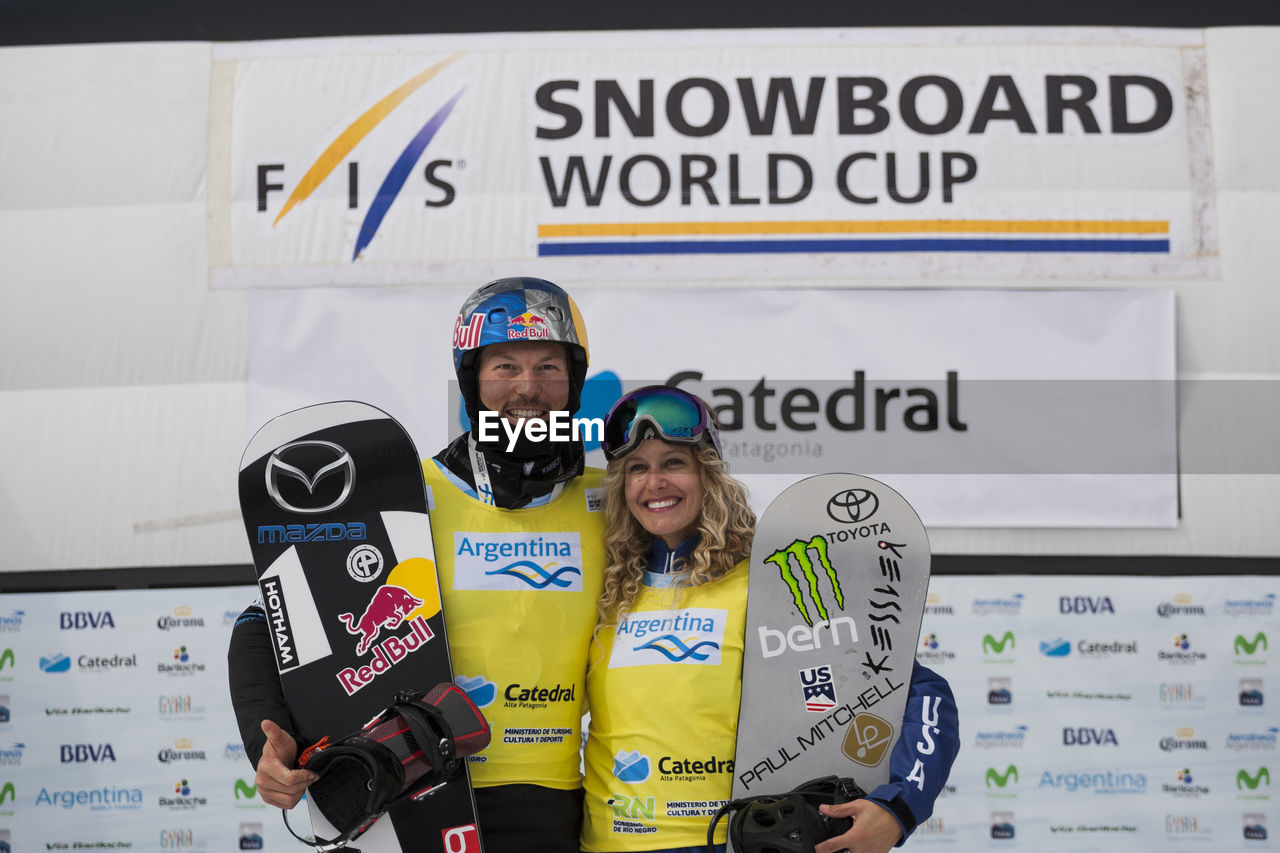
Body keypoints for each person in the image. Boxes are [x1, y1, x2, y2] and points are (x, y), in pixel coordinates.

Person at [228, 277, 605, 853]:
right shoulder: (406, 495)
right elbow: (264, 624)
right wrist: (265, 743)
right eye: (505, 365)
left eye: (549, 366)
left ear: (574, 382)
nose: (528, 387)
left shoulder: (614, 502)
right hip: (415, 790)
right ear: (471, 379)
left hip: (549, 801)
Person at [580, 386, 959, 853]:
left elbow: (919, 695)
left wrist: (899, 808)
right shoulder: (606, 590)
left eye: (673, 463)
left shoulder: (771, 585)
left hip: (735, 841)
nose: (654, 482)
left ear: (709, 473)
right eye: (638, 468)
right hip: (607, 843)